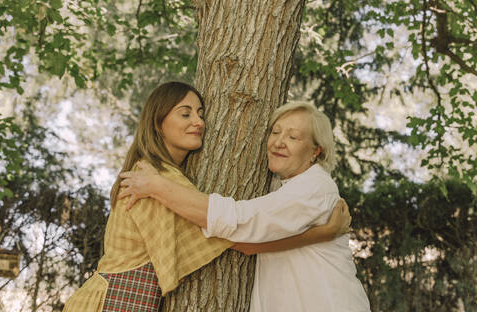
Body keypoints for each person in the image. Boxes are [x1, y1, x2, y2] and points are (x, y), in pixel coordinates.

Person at [64, 83, 350, 312]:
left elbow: (241, 233)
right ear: (157, 121)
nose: (199, 122)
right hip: (113, 302)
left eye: (200, 113)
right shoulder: (153, 177)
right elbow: (236, 238)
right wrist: (323, 233)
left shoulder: (156, 178)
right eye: (185, 113)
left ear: (316, 151)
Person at [119, 101, 371, 312]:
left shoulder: (314, 186)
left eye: (293, 137)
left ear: (315, 151)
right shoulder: (280, 188)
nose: (278, 142)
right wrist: (321, 233)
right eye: (275, 132)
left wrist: (156, 187)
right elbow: (247, 244)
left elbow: (241, 221)